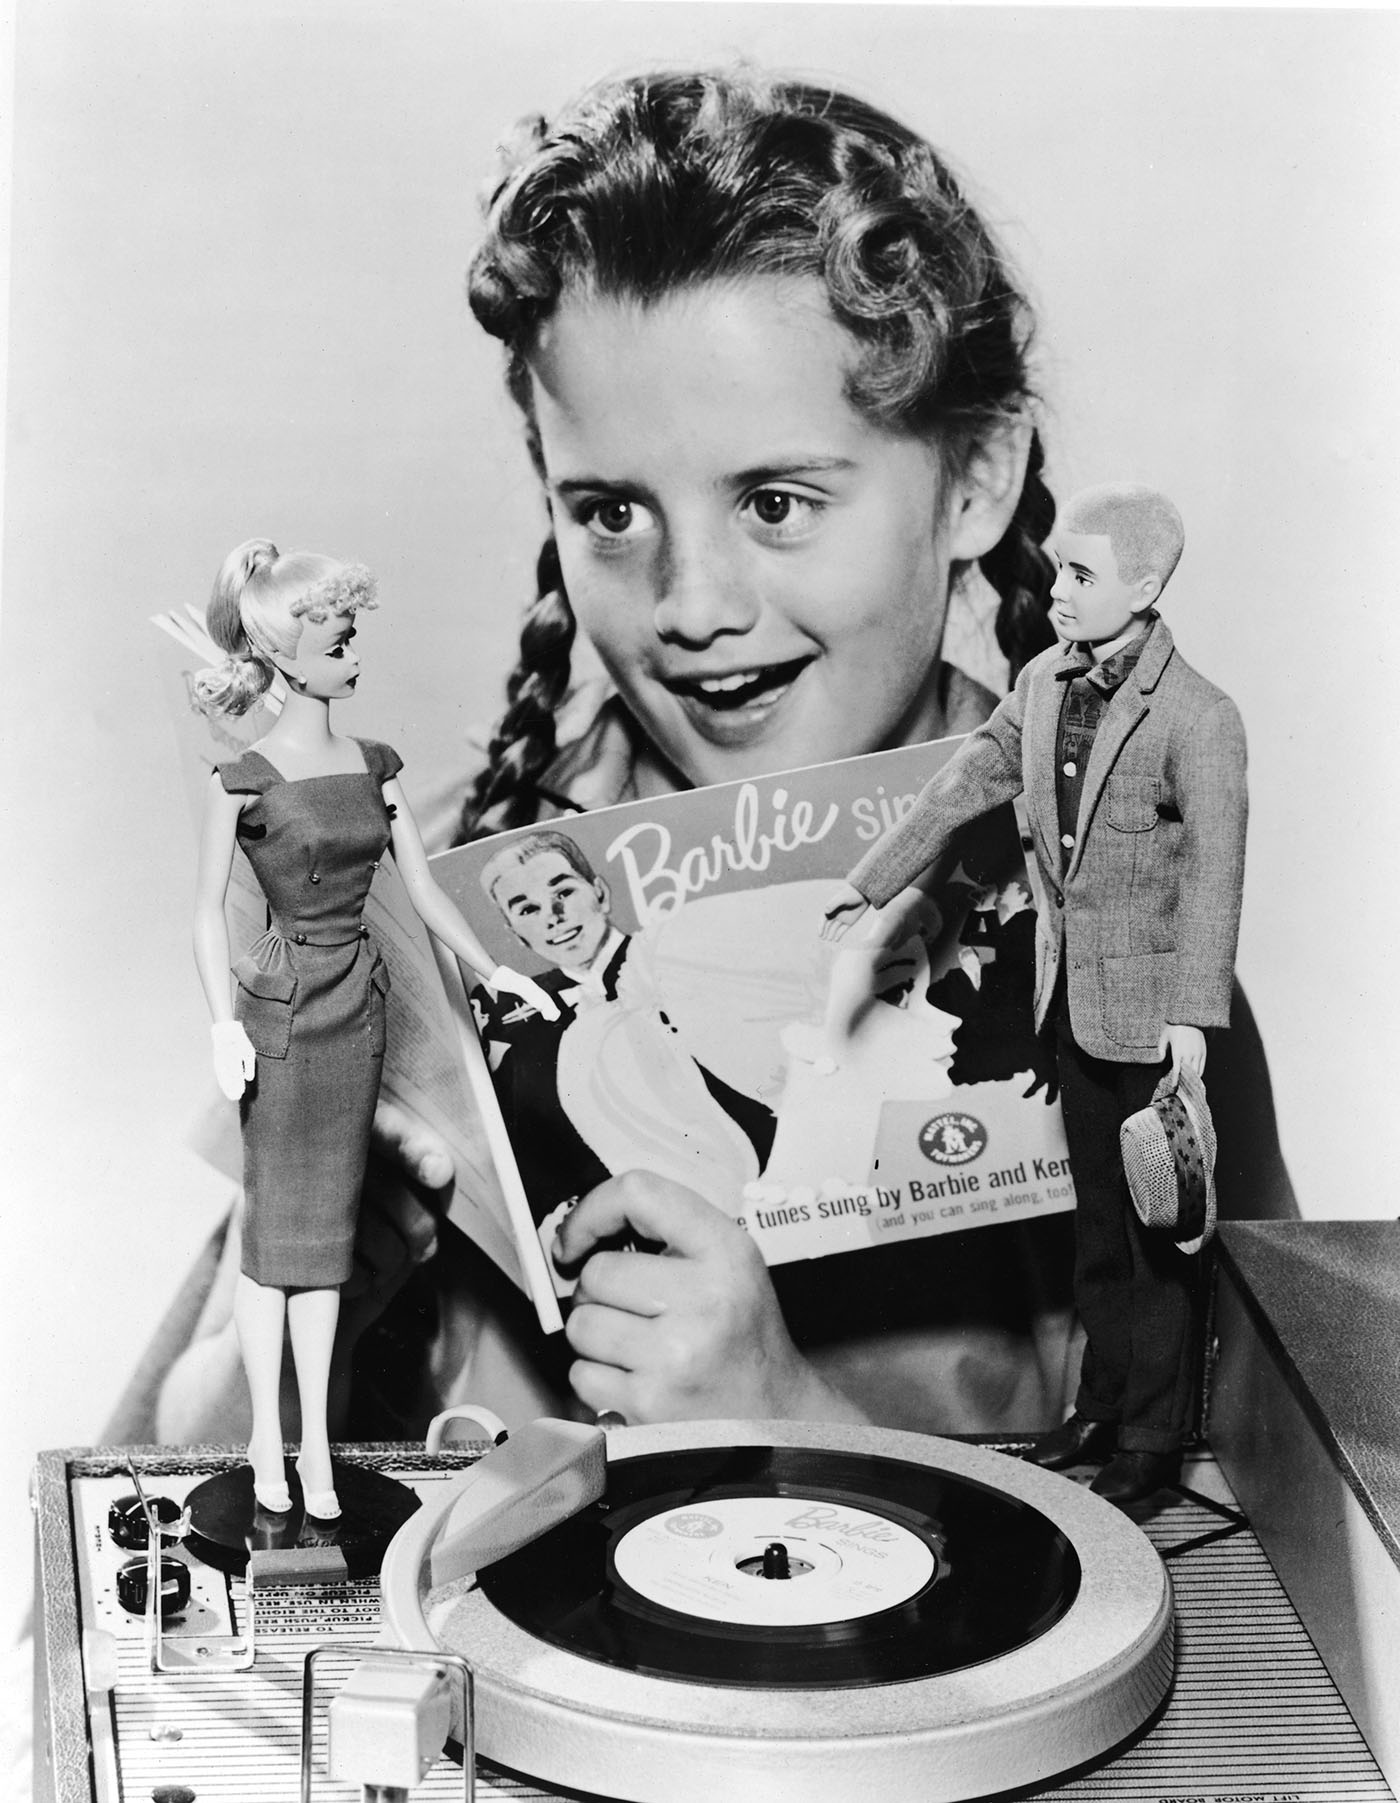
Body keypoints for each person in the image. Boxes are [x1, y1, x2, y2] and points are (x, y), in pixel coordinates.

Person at [117, 68, 1294, 1455]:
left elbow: (1266, 1551)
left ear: (973, 479)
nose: (690, 602)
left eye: (778, 501)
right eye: (612, 509)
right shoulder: (428, 887)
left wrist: (790, 1423)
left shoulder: (1113, 928)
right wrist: (328, 1279)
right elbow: (143, 1490)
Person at [822, 484, 1244, 1505]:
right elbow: (968, 779)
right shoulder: (1044, 682)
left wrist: (1189, 1017)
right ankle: (1098, 1408)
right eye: (1059, 569)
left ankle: (1151, 1435)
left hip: (1147, 1016)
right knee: (1095, 1228)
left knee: (1158, 1239)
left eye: (1083, 574)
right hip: (1067, 1003)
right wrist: (870, 882)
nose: (1058, 591)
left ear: (1142, 589)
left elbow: (1214, 875)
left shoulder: (1196, 716)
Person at [189, 538, 557, 1514]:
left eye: (353, 634)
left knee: (330, 1251)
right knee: (274, 1245)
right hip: (278, 1019)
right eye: (338, 637)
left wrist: (495, 971)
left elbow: (425, 895)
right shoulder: (243, 777)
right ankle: (268, 1448)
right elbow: (201, 914)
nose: (355, 652)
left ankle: (314, 1452)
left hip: (359, 1013)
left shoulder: (374, 764)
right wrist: (222, 1025)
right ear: (282, 652)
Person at [472, 829, 776, 1225]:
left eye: (563, 893)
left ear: (600, 892)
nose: (553, 916)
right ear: (516, 935)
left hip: (758, 1194)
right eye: (528, 910)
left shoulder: (676, 959)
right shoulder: (518, 1016)